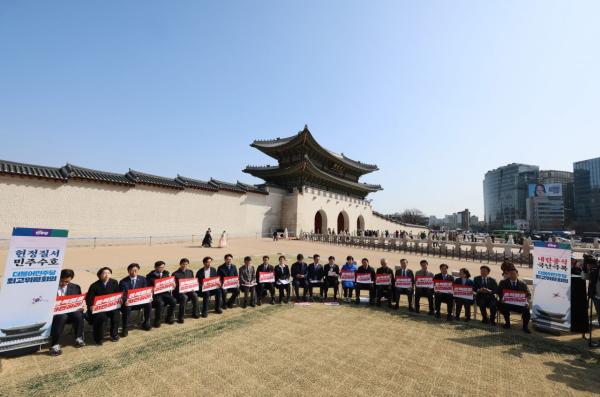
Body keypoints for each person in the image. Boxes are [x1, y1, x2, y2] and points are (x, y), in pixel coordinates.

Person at [49, 269, 85, 356]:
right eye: (62, 280)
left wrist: (81, 305)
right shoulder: (50, 287)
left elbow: (79, 300)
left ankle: (78, 338)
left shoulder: (76, 287)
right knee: (62, 317)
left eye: (67, 281)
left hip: (71, 311)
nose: (64, 283)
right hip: (56, 313)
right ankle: (55, 344)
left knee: (79, 315)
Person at [86, 267, 121, 345]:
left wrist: (120, 299)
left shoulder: (114, 282)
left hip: (111, 307)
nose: (107, 275)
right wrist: (91, 306)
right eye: (104, 273)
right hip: (99, 309)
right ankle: (98, 338)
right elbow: (89, 298)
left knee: (116, 315)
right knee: (101, 317)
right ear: (99, 275)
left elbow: (118, 293)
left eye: (108, 273)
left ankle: (114, 334)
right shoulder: (94, 285)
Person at [119, 263, 153, 336]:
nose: (134, 272)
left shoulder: (143, 279)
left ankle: (146, 322)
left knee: (148, 304)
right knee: (126, 308)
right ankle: (125, 328)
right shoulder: (123, 281)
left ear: (138, 270)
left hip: (139, 302)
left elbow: (145, 291)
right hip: (129, 303)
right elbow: (122, 294)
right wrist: (125, 300)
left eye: (136, 270)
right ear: (128, 271)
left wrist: (149, 297)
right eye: (132, 270)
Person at [498, 267, 531, 333]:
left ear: (517, 274)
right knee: (502, 306)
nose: (512, 275)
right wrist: (502, 298)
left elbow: (528, 294)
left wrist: (527, 302)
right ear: (508, 275)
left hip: (519, 304)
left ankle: (525, 327)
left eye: (513, 273)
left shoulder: (523, 284)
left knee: (527, 310)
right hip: (507, 303)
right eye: (510, 274)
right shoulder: (503, 282)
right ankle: (507, 324)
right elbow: (499, 292)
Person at [146, 260, 176, 327]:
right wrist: (152, 288)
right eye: (160, 267)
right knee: (160, 303)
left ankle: (169, 317)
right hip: (156, 295)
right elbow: (147, 287)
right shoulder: (149, 276)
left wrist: (173, 284)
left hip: (165, 293)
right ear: (155, 267)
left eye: (163, 267)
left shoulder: (166, 273)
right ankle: (157, 320)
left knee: (173, 301)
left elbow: (170, 282)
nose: (162, 269)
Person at [173, 258, 200, 322]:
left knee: (195, 295)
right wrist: (181, 290)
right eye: (183, 264)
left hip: (189, 290)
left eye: (186, 264)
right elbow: (175, 287)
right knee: (184, 297)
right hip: (179, 292)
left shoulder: (190, 272)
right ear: (180, 264)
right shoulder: (175, 274)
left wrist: (193, 288)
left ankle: (195, 313)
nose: (185, 265)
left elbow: (192, 282)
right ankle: (181, 317)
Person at [583, 256, 600, 346]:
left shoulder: (596, 270)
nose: (588, 266)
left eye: (588, 265)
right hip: (596, 297)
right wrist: (585, 269)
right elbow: (584, 277)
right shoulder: (594, 271)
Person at [570, 256, 589, 336]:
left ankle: (581, 329)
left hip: (580, 295)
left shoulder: (579, 270)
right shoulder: (572, 269)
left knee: (580, 311)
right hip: (574, 295)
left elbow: (584, 277)